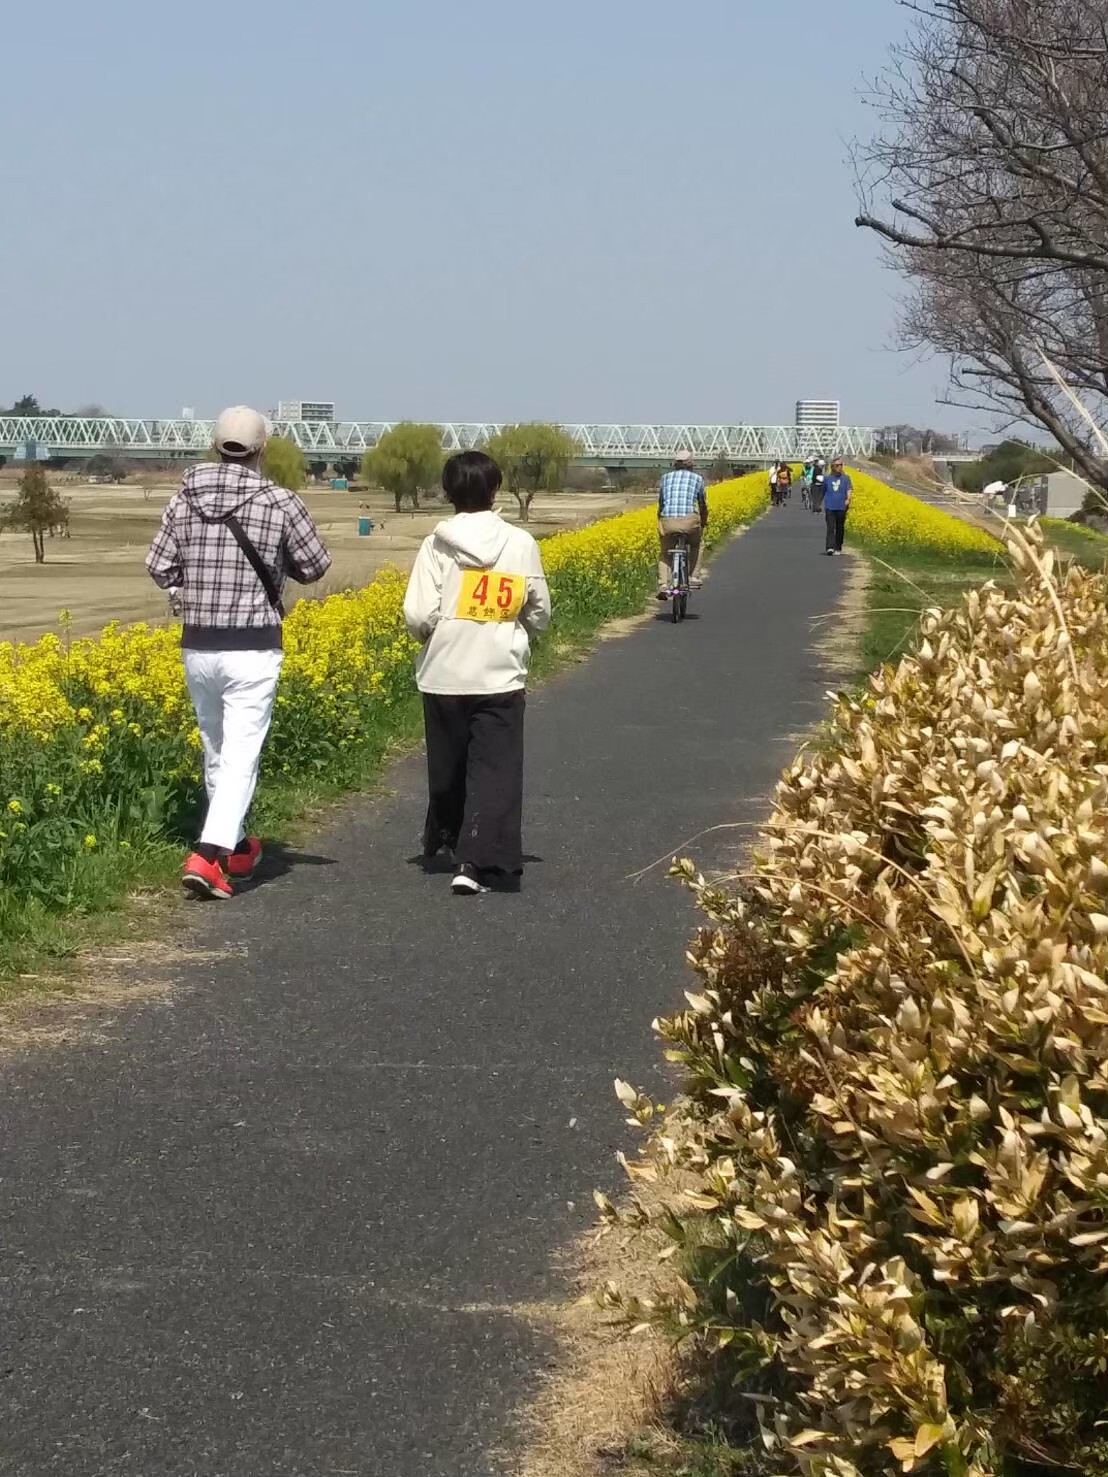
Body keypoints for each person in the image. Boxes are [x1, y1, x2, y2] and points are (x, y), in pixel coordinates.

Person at [146, 406, 332, 899]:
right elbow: (314, 567)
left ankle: (236, 848)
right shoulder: (279, 501)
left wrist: (196, 585)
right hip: (252, 644)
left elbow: (160, 566)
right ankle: (208, 856)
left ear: (214, 445)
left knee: (218, 750)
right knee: (241, 754)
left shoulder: (182, 498)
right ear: (262, 449)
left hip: (199, 644)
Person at [403, 450, 551, 896]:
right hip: (500, 672)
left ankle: (448, 839)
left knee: (448, 767)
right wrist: (522, 626)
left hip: (444, 669)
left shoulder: (436, 544)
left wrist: (437, 631)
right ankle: (478, 860)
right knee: (496, 769)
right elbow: (539, 609)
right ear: (495, 490)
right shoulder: (520, 543)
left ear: (447, 493)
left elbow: (416, 613)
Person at [657, 450, 708, 596]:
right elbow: (702, 503)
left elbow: (661, 504)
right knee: (697, 544)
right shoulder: (697, 478)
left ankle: (663, 584)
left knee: (665, 553)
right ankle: (693, 576)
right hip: (689, 521)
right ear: (691, 463)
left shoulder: (665, 478)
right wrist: (704, 520)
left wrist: (660, 522)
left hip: (667, 521)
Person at [822, 455, 853, 555]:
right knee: (830, 527)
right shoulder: (827, 479)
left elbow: (849, 489)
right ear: (832, 467)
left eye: (841, 465)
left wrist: (848, 499)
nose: (840, 467)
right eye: (837, 465)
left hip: (841, 506)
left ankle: (838, 546)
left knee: (840, 528)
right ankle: (830, 547)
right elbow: (823, 491)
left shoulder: (846, 478)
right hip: (830, 506)